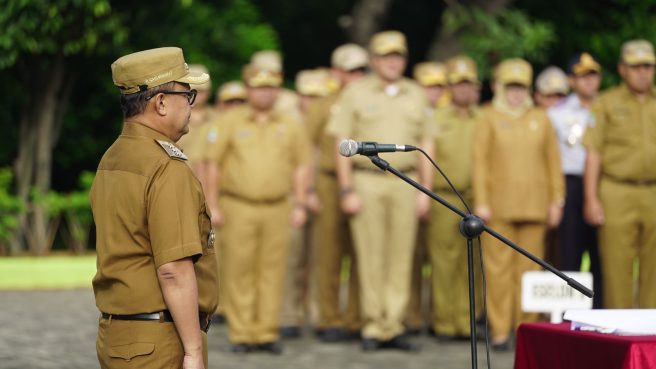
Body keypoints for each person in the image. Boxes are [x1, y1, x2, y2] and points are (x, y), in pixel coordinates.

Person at [91, 47, 218, 369]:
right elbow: (173, 268)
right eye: (186, 95)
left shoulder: (114, 156)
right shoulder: (165, 166)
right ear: (160, 102)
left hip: (118, 334)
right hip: (158, 339)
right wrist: (192, 350)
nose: (191, 105)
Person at [327, 30, 435, 352]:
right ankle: (374, 325)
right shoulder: (355, 92)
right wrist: (346, 189)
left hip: (407, 180)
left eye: (398, 56)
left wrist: (425, 191)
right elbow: (341, 142)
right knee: (370, 253)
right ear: (373, 60)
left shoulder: (416, 94)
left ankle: (395, 323)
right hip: (367, 180)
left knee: (402, 255)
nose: (393, 62)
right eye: (386, 56)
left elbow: (427, 143)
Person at [204, 63, 310, 354]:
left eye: (271, 87)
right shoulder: (230, 120)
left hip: (278, 206)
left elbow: (302, 166)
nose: (265, 93)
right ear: (248, 89)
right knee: (239, 269)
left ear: (278, 90)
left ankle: (266, 332)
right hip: (238, 205)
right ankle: (242, 333)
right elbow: (213, 163)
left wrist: (300, 203)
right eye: (259, 87)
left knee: (273, 271)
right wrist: (212, 203)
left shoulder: (290, 122)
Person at [473, 58, 564, 350]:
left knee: (530, 273)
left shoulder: (541, 117)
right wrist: (482, 201)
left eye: (521, 87)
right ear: (500, 87)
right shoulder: (488, 116)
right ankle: (499, 331)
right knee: (498, 271)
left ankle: (524, 329)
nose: (516, 93)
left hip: (535, 207)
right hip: (498, 207)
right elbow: (479, 163)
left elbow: (554, 163)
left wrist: (556, 201)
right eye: (511, 87)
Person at [583, 39, 656, 309]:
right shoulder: (606, 103)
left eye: (648, 66)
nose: (643, 72)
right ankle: (621, 333)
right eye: (636, 67)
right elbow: (593, 153)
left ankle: (651, 333)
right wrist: (591, 198)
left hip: (653, 192)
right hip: (616, 190)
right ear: (622, 69)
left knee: (654, 268)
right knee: (616, 267)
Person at [306, 43, 368, 342]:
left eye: (361, 70)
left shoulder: (372, 101)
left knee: (361, 251)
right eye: (350, 69)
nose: (356, 75)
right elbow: (307, 148)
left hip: (365, 179)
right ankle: (328, 318)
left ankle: (356, 318)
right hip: (329, 181)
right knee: (328, 252)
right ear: (337, 72)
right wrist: (309, 189)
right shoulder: (323, 104)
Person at [429, 55, 482, 341]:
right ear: (449, 86)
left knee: (471, 262)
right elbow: (427, 157)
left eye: (468, 84)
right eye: (458, 84)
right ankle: (444, 322)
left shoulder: (484, 119)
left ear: (476, 87)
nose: (463, 90)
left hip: (475, 197)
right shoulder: (435, 119)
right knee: (443, 260)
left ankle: (467, 321)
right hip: (443, 197)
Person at [280, 68, 333, 338]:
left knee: (320, 257)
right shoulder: (288, 121)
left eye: (318, 96)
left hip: (324, 194)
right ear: (298, 96)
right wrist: (305, 193)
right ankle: (289, 314)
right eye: (307, 95)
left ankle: (316, 311)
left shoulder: (328, 117)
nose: (312, 101)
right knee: (293, 258)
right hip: (293, 195)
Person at [547, 52, 603, 308]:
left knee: (602, 253)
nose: (589, 81)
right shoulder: (557, 114)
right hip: (570, 184)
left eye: (593, 74)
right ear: (571, 80)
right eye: (582, 75)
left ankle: (601, 312)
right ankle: (569, 314)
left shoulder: (608, 108)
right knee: (569, 252)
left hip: (603, 184)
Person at [405, 60, 449, 334]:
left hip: (444, 195)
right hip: (410, 188)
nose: (433, 93)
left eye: (438, 87)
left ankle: (436, 315)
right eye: (428, 87)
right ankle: (411, 316)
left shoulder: (448, 115)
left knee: (440, 259)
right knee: (410, 257)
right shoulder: (409, 111)